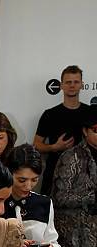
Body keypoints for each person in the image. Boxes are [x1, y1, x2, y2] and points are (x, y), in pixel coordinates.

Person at [51, 104, 97, 247]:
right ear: (85, 131)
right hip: (78, 239)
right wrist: (91, 197)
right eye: (96, 130)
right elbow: (59, 197)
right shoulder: (71, 157)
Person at [33, 65, 89, 195]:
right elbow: (36, 144)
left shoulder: (92, 113)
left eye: (76, 82)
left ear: (82, 85)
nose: (72, 85)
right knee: (51, 214)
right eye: (68, 82)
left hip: (86, 174)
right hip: (55, 174)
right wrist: (54, 147)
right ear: (61, 85)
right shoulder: (50, 114)